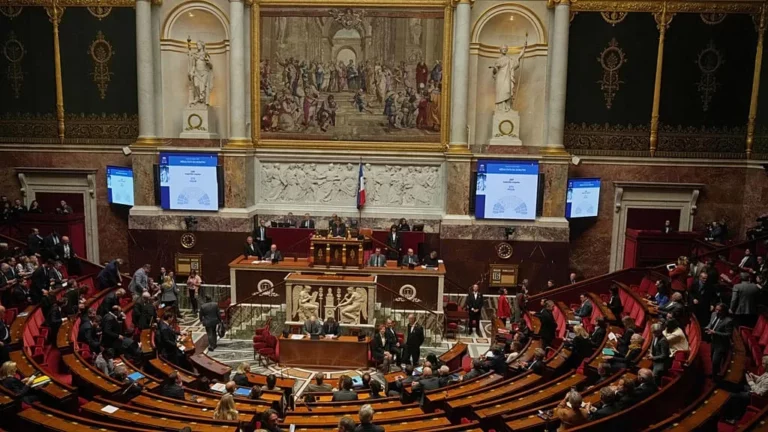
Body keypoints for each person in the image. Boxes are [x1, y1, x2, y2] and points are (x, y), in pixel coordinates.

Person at [723, 355, 768, 424]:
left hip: (756, 397)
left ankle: (734, 418)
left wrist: (750, 382)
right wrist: (754, 377)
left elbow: (759, 392)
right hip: (754, 389)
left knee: (733, 396)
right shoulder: (767, 372)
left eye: (763, 363)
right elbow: (762, 380)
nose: (761, 365)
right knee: (738, 387)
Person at [705, 303, 733, 375]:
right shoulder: (713, 314)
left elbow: (728, 334)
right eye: (716, 309)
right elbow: (710, 323)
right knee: (712, 358)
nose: (717, 312)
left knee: (715, 361)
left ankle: (716, 376)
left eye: (719, 310)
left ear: (724, 311)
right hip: (713, 341)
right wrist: (708, 327)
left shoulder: (728, 321)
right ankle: (715, 372)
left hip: (721, 344)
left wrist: (715, 332)